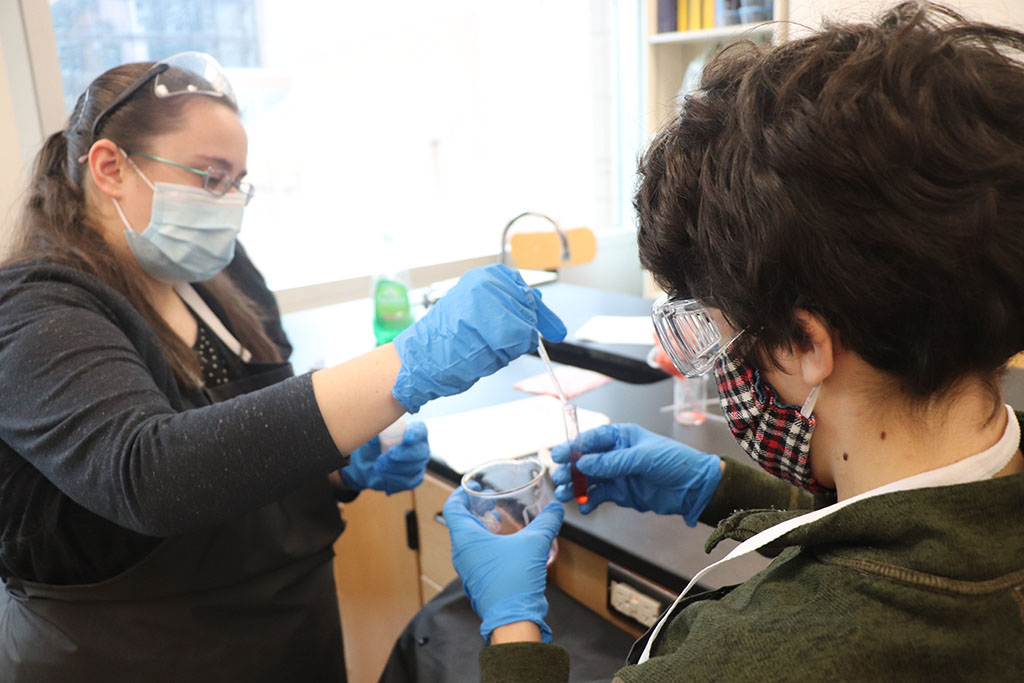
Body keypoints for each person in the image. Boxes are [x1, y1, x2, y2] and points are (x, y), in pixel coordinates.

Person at [441, 2, 1024, 680]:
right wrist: (719, 489)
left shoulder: (745, 661)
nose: (716, 364)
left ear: (805, 342)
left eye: (710, 330)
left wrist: (513, 627)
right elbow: (920, 532)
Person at [0, 52, 566, 682]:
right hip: (129, 654)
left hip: (285, 631)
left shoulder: (218, 274)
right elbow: (152, 473)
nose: (228, 203)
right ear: (110, 167)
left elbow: (253, 442)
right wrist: (412, 359)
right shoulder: (36, 308)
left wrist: (337, 469)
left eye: (237, 182)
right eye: (210, 177)